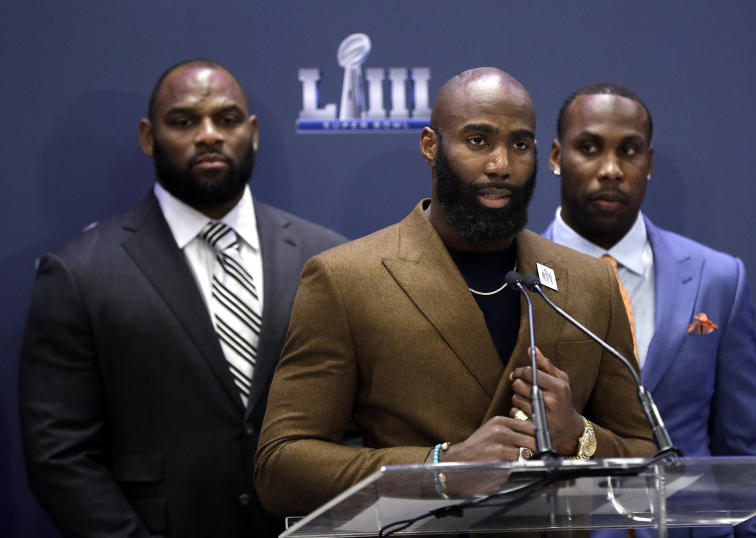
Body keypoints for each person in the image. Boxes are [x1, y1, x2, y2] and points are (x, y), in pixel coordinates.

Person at [254, 67, 657, 518]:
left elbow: (650, 461)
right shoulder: (345, 279)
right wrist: (439, 470)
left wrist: (579, 437)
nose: (500, 165)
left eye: (519, 145)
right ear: (431, 146)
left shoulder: (590, 282)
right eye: (478, 141)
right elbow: (281, 467)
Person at [19, 59, 346, 538]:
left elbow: (358, 425)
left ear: (252, 133)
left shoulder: (329, 258)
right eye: (184, 121)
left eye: (227, 120)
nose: (209, 134)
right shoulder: (79, 272)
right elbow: (60, 456)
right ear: (149, 137)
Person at [543, 83, 756, 537]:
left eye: (629, 151)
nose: (611, 170)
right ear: (557, 157)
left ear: (649, 164)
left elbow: (748, 450)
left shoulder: (718, 279)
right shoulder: (515, 278)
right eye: (590, 148)